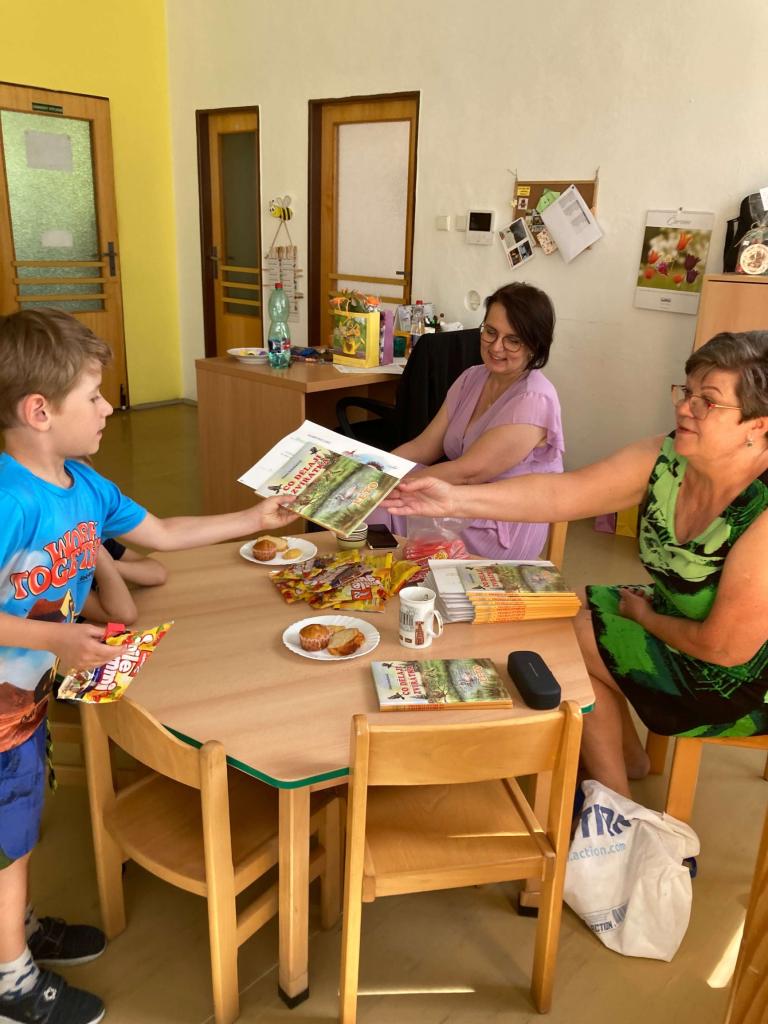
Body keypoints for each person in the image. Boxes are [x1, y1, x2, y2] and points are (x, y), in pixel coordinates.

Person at [0, 309, 296, 1024]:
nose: (109, 407)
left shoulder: (83, 484)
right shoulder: (9, 500)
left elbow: (161, 532)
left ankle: (17, 931)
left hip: (23, 699)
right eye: (94, 396)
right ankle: (10, 984)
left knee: (14, 834)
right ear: (39, 411)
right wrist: (60, 641)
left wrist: (253, 520)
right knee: (8, 844)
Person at [384, 331, 768, 798]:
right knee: (555, 610)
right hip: (678, 616)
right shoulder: (668, 458)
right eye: (686, 392)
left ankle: (615, 808)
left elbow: (723, 648)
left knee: (565, 637)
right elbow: (564, 492)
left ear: (758, 425)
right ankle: (625, 765)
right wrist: (453, 498)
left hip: (735, 679)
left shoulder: (761, 515)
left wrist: (644, 616)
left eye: (707, 401)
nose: (685, 408)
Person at [368, 282, 564, 559]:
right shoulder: (472, 377)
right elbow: (424, 446)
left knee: (380, 503)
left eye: (513, 340)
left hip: (500, 522)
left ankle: (376, 575)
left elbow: (468, 472)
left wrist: (387, 486)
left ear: (534, 345)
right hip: (460, 498)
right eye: (490, 332)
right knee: (371, 492)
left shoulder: (534, 398)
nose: (496, 347)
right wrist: (374, 469)